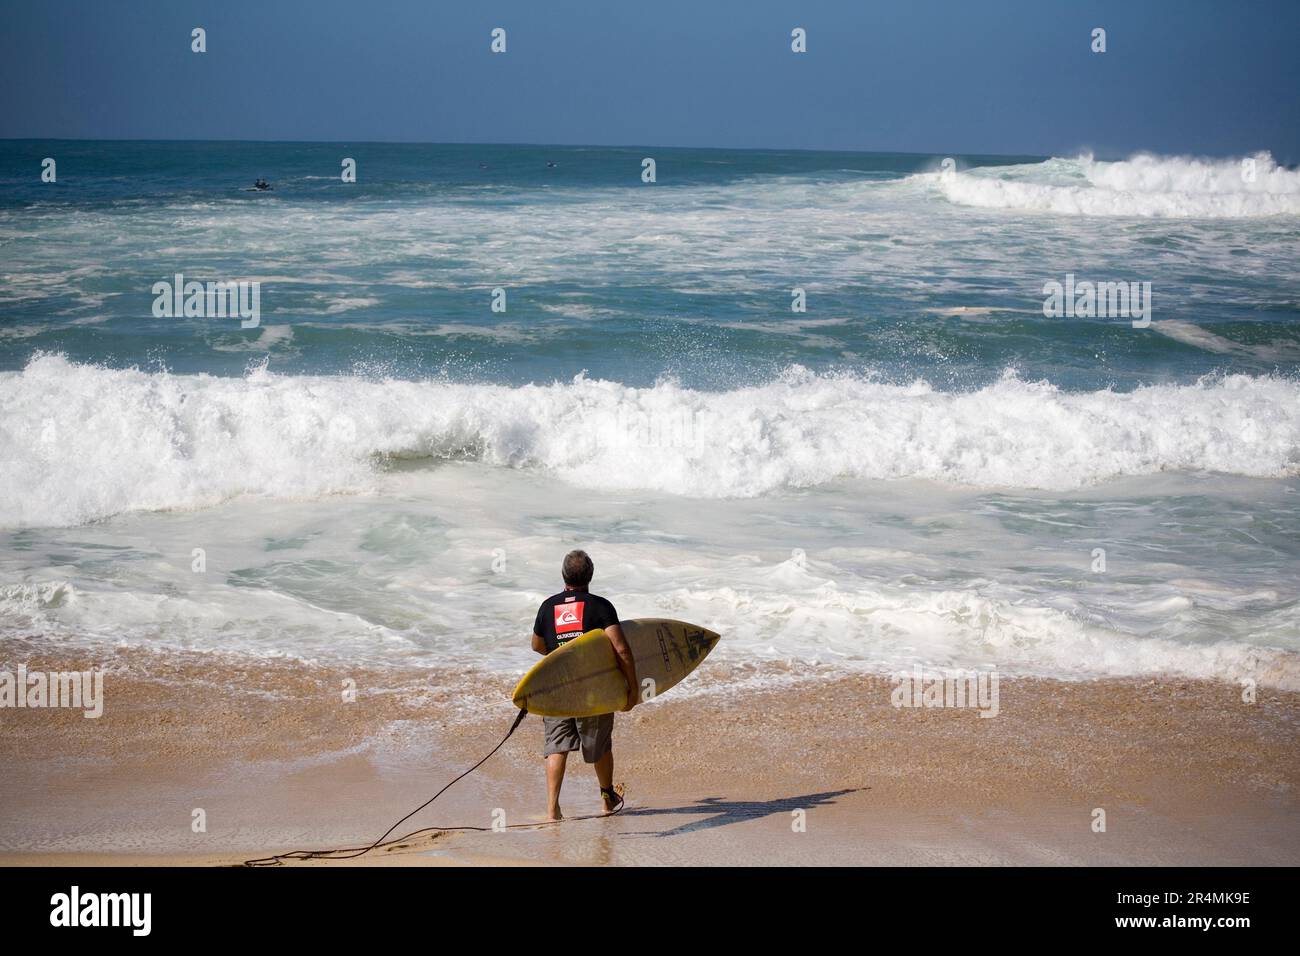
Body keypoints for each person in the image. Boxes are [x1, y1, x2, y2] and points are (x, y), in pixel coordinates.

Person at [530, 549, 638, 820]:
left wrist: (561, 658)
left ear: (563, 575)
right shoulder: (600, 606)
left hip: (557, 688)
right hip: (593, 689)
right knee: (599, 745)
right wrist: (632, 688)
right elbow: (621, 650)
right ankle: (606, 799)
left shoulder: (548, 607)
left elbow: (537, 645)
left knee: (556, 745)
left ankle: (552, 808)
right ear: (590, 575)